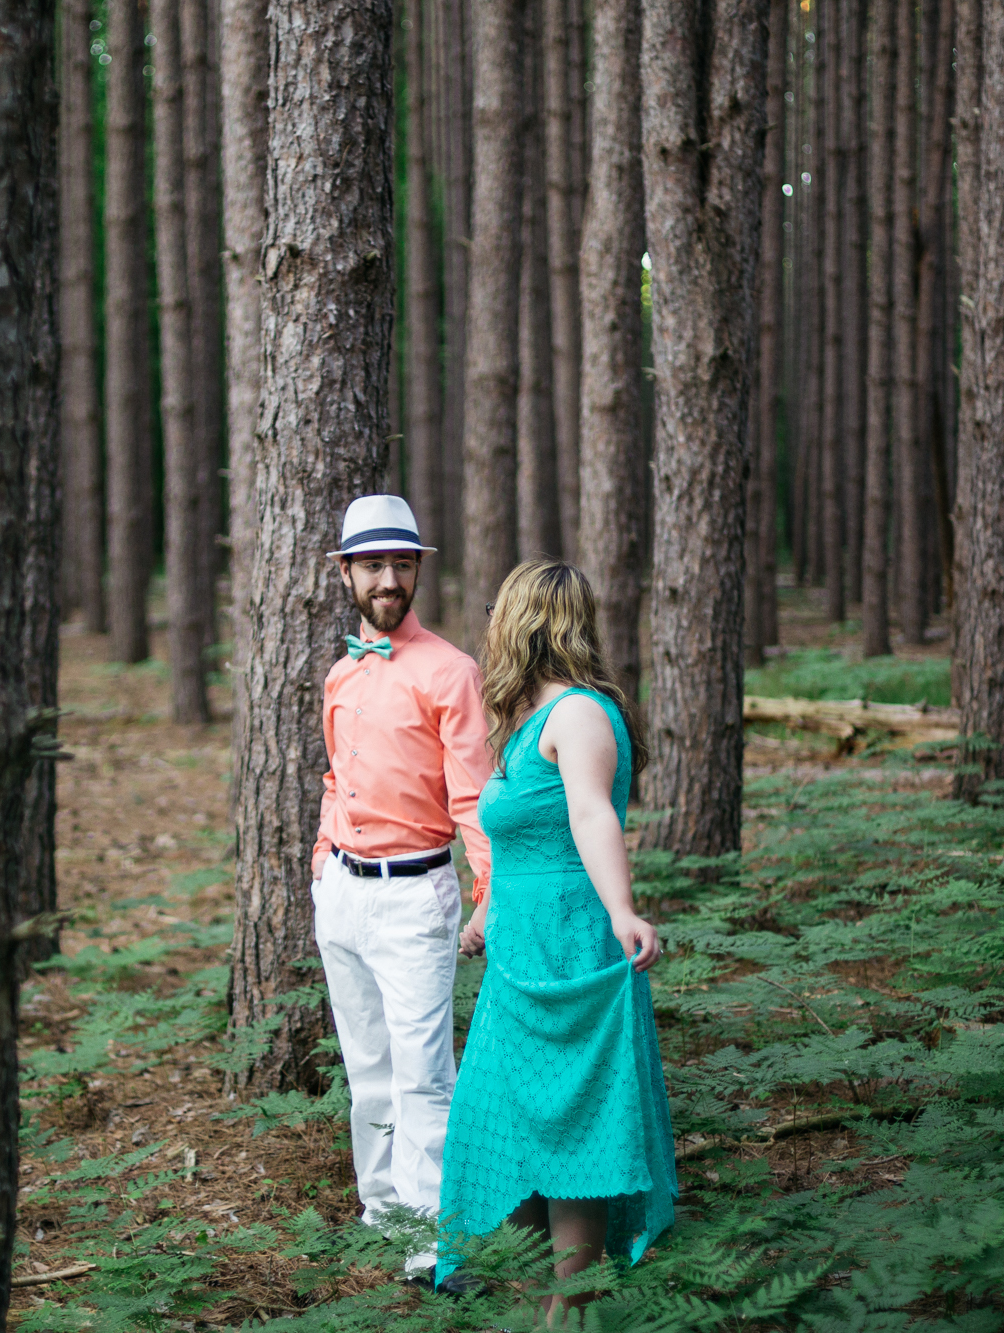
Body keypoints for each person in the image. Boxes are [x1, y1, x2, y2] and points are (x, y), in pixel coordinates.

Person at [436, 558, 677, 1314]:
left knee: (575, 1127)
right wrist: (483, 915)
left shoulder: (577, 712)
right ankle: (537, 1299)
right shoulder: (525, 723)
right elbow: (517, 844)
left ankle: (568, 1310)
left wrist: (622, 910)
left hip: (572, 951)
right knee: (503, 1124)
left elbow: (589, 816)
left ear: (522, 621)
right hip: (517, 958)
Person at [310, 494, 494, 1282]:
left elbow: (474, 797)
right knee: (368, 1069)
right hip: (343, 894)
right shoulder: (342, 672)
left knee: (424, 1072)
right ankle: (380, 1208)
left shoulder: (452, 672)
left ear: (417, 569)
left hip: (416, 894)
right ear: (347, 572)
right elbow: (336, 774)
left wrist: (490, 894)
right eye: (374, 564)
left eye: (402, 563)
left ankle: (434, 1234)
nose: (389, 578)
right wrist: (322, 856)